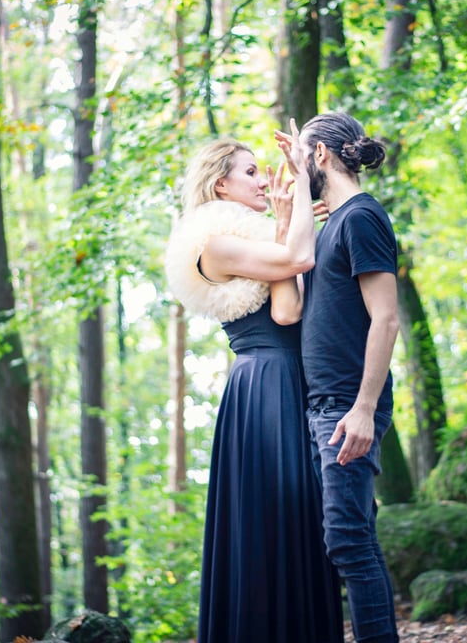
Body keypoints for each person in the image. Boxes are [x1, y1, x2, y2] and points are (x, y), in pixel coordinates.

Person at [164, 138, 344, 643]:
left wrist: (291, 221)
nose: (265, 180)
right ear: (221, 184)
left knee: (304, 522)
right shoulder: (215, 244)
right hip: (264, 386)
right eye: (252, 172)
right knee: (271, 523)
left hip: (295, 378)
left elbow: (291, 273)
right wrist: (296, 213)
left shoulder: (261, 238)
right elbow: (287, 306)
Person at [275, 112, 401, 643]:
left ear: (320, 155)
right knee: (352, 537)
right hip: (323, 406)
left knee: (347, 540)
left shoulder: (360, 218)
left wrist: (365, 408)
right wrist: (292, 216)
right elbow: (295, 309)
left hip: (349, 406)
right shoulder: (332, 226)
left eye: (300, 155)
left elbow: (387, 316)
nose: (292, 166)